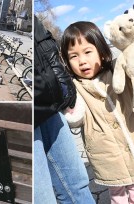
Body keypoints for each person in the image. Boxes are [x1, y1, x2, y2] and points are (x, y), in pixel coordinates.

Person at [60, 19, 134, 204]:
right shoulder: (75, 87)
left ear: (103, 53)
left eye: (88, 52)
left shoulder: (118, 69)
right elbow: (75, 119)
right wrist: (67, 103)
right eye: (73, 56)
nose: (82, 61)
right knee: (117, 194)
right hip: (107, 155)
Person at [34, 15, 95, 204]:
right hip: (25, 114)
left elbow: (45, 43)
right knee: (42, 198)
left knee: (77, 184)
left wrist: (63, 84)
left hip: (49, 103)